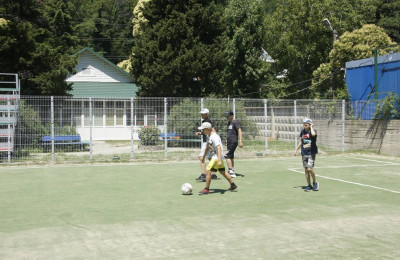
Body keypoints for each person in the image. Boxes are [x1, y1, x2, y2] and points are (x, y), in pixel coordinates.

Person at [197, 122, 237, 195]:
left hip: (216, 157)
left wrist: (219, 160)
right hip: (217, 157)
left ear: (208, 129)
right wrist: (203, 156)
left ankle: (206, 189)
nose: (202, 131)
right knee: (222, 171)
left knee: (208, 170)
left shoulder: (214, 136)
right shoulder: (210, 136)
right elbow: (208, 147)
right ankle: (233, 185)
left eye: (203, 130)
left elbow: (218, 148)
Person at [293, 118, 319, 191]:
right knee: (306, 170)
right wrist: (296, 150)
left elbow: (313, 135)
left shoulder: (313, 131)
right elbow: (301, 141)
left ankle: (315, 182)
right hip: (304, 153)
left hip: (311, 153)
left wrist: (311, 127)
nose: (304, 125)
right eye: (304, 124)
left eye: (306, 124)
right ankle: (309, 185)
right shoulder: (303, 132)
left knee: (310, 169)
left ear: (309, 124)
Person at [195, 108, 217, 181]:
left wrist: (212, 140)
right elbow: (207, 131)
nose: (202, 114)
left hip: (207, 142)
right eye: (201, 113)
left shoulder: (208, 121)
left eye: (203, 113)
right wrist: (200, 133)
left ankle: (203, 174)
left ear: (207, 114)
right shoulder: (205, 121)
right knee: (211, 158)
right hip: (208, 141)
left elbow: (213, 131)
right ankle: (214, 174)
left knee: (201, 157)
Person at [224, 111, 243, 178]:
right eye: (226, 116)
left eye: (228, 116)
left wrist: (240, 141)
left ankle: (230, 171)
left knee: (227, 156)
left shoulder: (235, 122)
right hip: (229, 142)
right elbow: (228, 132)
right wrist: (226, 139)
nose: (227, 117)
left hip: (233, 141)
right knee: (231, 156)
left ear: (232, 115)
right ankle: (232, 170)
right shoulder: (229, 123)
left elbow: (240, 131)